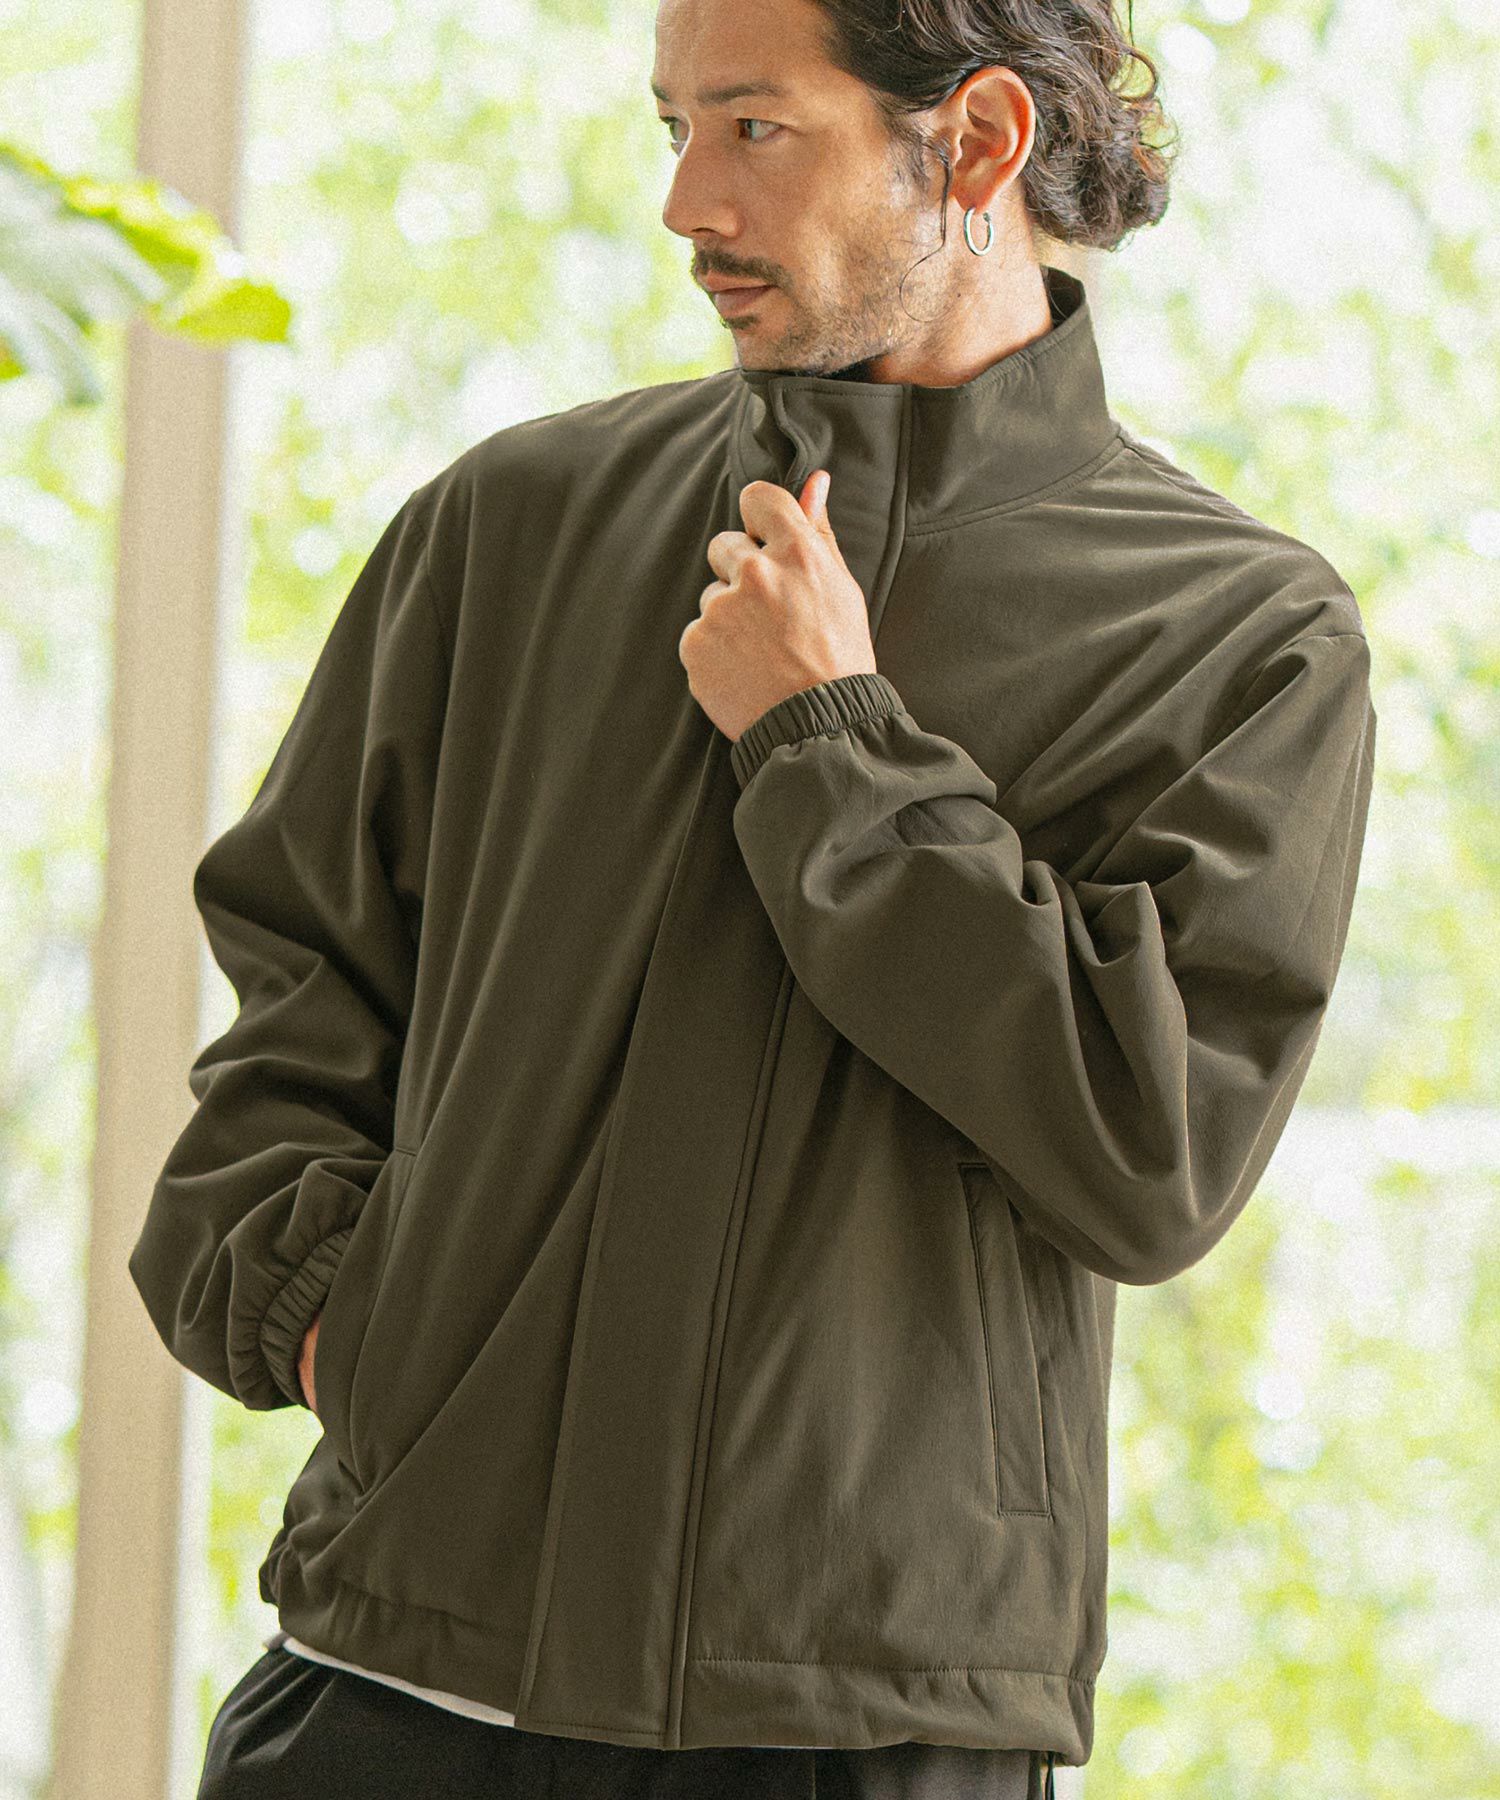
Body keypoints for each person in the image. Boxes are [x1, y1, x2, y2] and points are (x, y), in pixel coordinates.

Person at [129, 0, 1376, 1793]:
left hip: (864, 1720)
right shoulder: (513, 524)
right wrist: (348, 1333)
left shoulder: (1233, 635)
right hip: (394, 1684)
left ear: (978, 142)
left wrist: (829, 742)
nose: (687, 203)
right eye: (675, 129)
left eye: (755, 129)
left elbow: (1148, 1144)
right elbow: (293, 992)